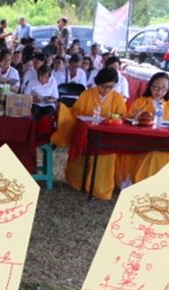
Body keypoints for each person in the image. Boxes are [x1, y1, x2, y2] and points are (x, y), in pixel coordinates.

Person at [54, 68, 127, 200]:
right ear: (98, 83)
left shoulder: (117, 98)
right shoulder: (87, 94)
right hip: (86, 134)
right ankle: (78, 183)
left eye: (111, 87)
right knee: (83, 147)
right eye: (104, 86)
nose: (107, 90)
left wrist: (111, 118)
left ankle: (99, 188)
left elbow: (121, 116)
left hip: (107, 137)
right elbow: (75, 113)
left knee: (107, 155)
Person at [118, 72, 169, 186]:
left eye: (163, 88)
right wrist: (136, 115)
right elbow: (127, 119)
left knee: (160, 155)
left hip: (164, 143)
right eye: (156, 87)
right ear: (150, 86)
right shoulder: (141, 101)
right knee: (152, 155)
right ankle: (141, 185)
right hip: (142, 142)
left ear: (168, 90)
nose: (159, 91)